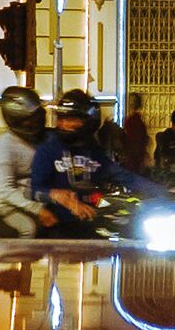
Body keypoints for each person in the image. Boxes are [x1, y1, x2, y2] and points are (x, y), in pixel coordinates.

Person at [31, 89, 142, 236]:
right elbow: (34, 190)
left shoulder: (93, 151)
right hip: (57, 227)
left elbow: (122, 176)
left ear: (87, 120)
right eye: (61, 118)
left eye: (71, 119)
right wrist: (56, 195)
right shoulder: (48, 149)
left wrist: (160, 192)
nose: (64, 124)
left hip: (91, 223)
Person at [0, 86, 52, 236]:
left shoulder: (45, 138)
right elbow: (5, 190)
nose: (36, 122)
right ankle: (24, 252)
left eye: (37, 116)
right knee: (29, 229)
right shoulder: (4, 147)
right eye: (30, 119)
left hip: (39, 201)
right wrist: (38, 210)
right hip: (7, 207)